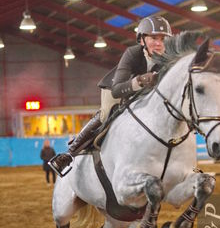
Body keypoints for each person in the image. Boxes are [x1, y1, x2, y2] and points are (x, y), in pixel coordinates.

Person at [49, 15, 172, 177]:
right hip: (116, 88)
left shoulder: (169, 58)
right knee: (107, 113)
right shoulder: (132, 54)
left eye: (163, 39)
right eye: (154, 38)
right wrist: (140, 80)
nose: (159, 43)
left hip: (143, 94)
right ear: (142, 40)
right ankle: (69, 154)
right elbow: (117, 89)